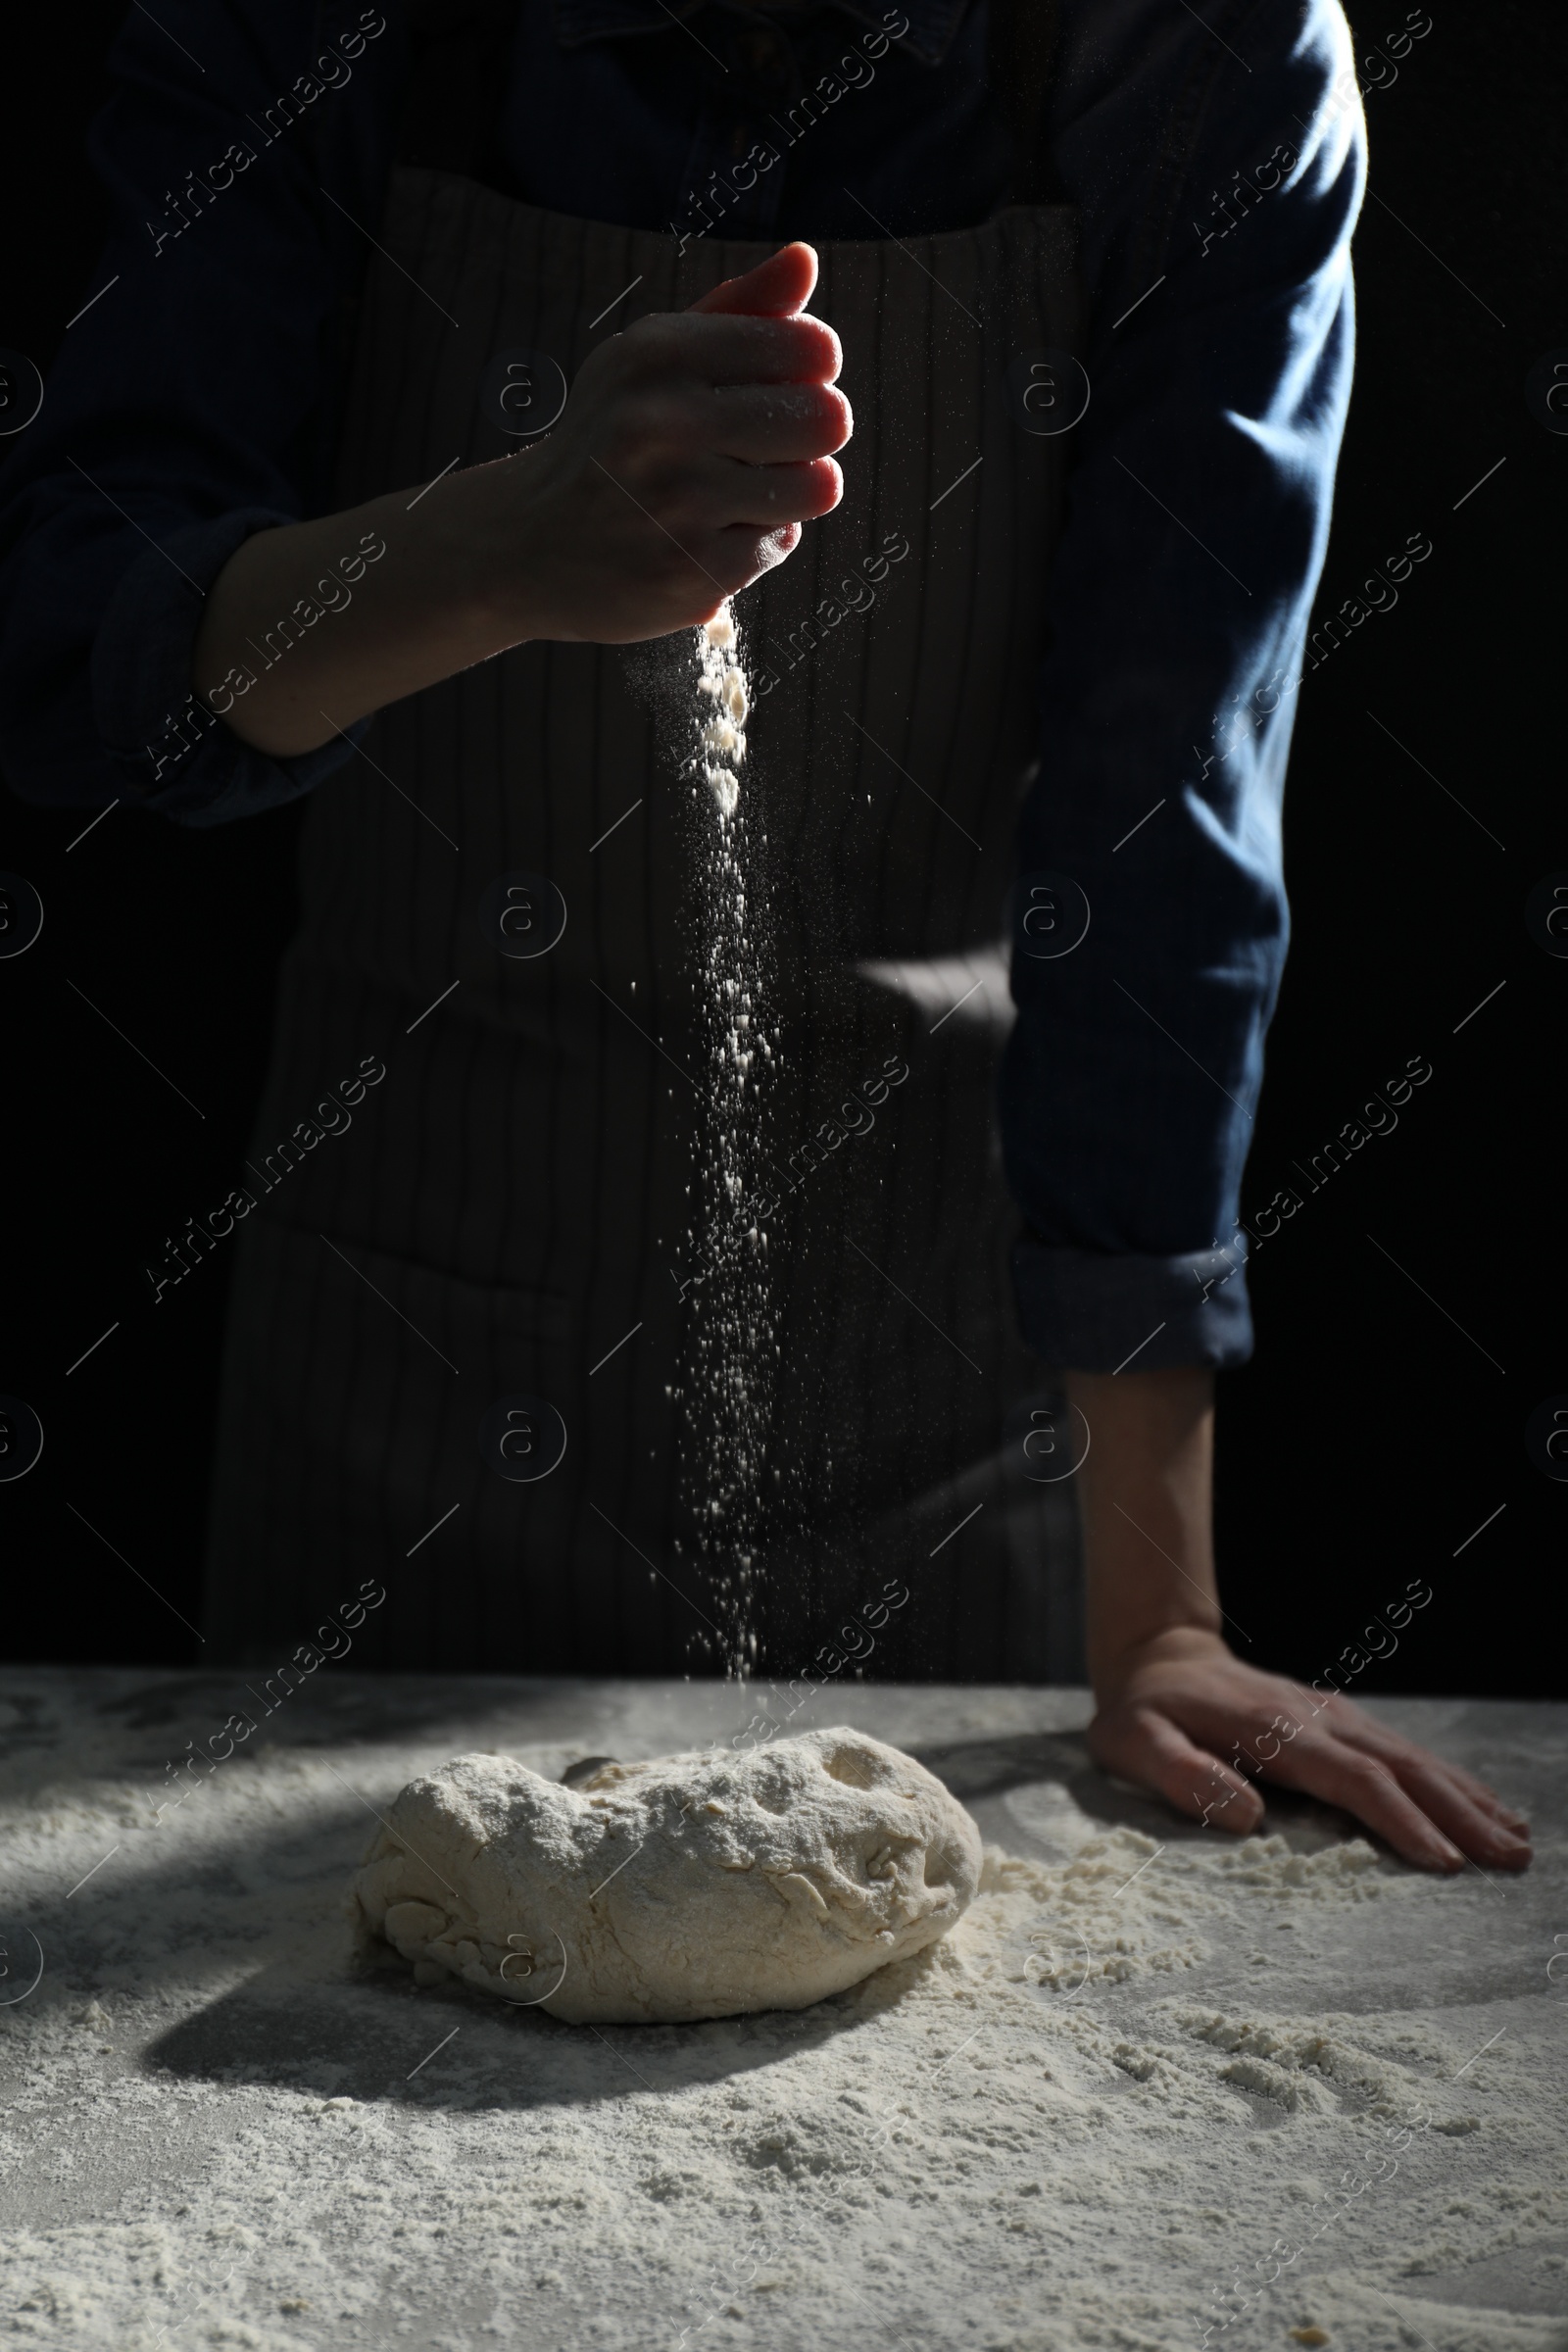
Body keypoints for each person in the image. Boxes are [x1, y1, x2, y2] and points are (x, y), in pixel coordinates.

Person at [0, 0, 1529, 1874]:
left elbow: (1163, 818)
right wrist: (485, 550)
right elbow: (81, 656)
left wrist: (1167, 1620)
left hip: (958, 1390)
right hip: (401, 1351)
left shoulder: (1196, 55)